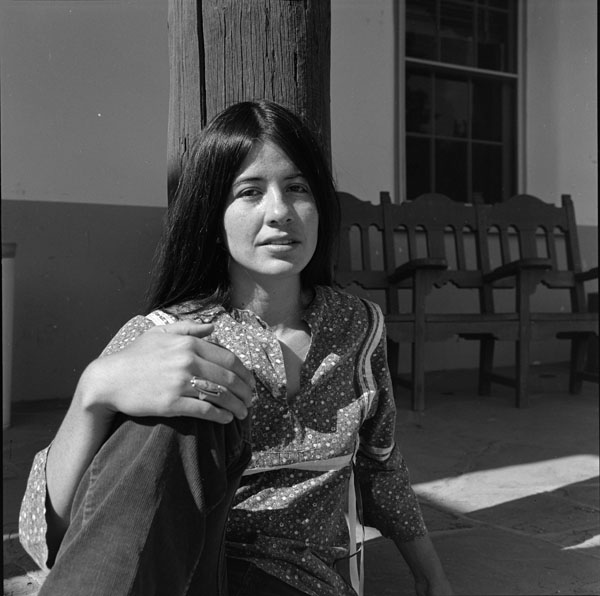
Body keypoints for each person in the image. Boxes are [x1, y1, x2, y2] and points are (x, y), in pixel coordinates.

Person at [19, 100, 452, 596]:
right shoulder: (168, 335)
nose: (280, 212)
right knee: (176, 399)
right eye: (249, 191)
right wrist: (93, 390)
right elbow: (48, 532)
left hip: (297, 579)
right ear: (213, 214)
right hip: (178, 570)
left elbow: (381, 466)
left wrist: (430, 577)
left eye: (297, 188)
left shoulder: (358, 326)